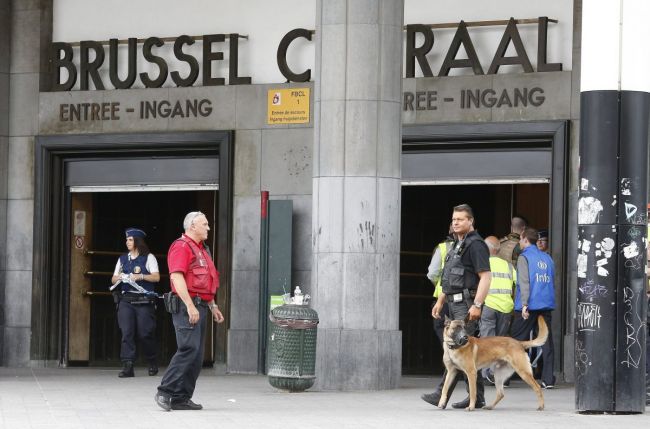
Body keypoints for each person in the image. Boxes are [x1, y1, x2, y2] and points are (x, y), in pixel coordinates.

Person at [421, 204, 491, 409]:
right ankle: (477, 397)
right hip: (452, 304)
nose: (456, 222)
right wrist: (441, 301)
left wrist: (477, 304)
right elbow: (450, 278)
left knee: (457, 349)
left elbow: (486, 276)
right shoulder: (456, 244)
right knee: (460, 350)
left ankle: (440, 395)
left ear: (471, 221)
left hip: (466, 306)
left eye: (460, 219)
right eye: (453, 219)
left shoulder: (476, 245)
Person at [155, 211, 225, 411]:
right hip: (188, 306)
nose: (208, 228)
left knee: (196, 355)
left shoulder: (202, 250)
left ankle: (181, 398)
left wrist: (213, 306)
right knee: (188, 349)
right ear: (192, 226)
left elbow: (205, 281)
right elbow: (177, 278)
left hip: (201, 305)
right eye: (205, 224)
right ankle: (165, 391)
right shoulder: (181, 246)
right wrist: (189, 305)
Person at [110, 228, 161, 378]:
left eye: (130, 240)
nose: (127, 242)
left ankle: (152, 361)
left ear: (138, 241)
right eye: (127, 240)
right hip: (126, 299)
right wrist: (121, 277)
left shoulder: (148, 257)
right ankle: (128, 366)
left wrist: (141, 277)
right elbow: (113, 279)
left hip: (143, 300)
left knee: (145, 333)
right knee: (127, 332)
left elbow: (156, 277)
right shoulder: (122, 259)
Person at [511, 227, 556, 389]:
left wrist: (524, 304)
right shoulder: (547, 258)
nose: (519, 243)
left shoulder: (525, 258)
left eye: (520, 240)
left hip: (529, 305)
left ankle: (506, 376)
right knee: (547, 340)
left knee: (514, 340)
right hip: (546, 304)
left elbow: (524, 282)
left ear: (524, 240)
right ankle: (548, 379)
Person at [479, 236, 516, 383]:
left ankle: (487, 373)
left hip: (489, 305)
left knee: (487, 341)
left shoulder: (484, 264)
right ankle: (499, 374)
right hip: (506, 308)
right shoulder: (508, 266)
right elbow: (518, 283)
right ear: (498, 249)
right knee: (500, 343)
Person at [426, 226, 454, 346]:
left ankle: (453, 358)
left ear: (449, 231)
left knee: (441, 327)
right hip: (465, 299)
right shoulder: (473, 246)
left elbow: (432, 273)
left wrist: (439, 284)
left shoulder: (442, 247)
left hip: (445, 299)